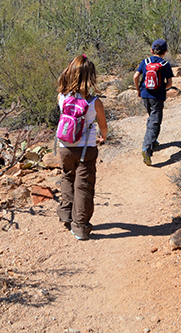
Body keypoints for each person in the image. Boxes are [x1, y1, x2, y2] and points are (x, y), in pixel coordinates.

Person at [55, 55, 108, 241]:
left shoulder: (62, 97)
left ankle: (66, 216)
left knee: (68, 178)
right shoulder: (95, 102)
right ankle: (80, 227)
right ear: (91, 77)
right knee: (84, 185)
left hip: (64, 148)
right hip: (87, 149)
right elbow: (103, 126)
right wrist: (103, 137)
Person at [133, 39, 174, 166]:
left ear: (152, 51)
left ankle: (153, 140)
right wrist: (162, 88)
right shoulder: (165, 64)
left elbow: (135, 76)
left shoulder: (144, 62)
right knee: (155, 121)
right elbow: (170, 83)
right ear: (165, 51)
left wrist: (138, 90)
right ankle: (147, 149)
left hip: (145, 94)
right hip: (157, 96)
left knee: (152, 117)